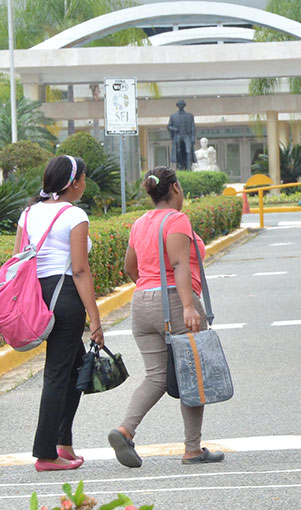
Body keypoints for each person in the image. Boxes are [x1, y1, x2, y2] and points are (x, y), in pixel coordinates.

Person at [109, 166, 223, 468]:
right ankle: (192, 449)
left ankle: (125, 430)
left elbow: (130, 267)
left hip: (141, 303)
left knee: (156, 376)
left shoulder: (140, 223)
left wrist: (150, 294)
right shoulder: (177, 220)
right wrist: (187, 306)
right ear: (174, 189)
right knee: (193, 374)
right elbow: (179, 264)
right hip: (174, 300)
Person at [18, 155, 103, 472]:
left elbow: (17, 260)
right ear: (75, 182)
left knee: (75, 368)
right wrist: (95, 319)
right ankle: (46, 453)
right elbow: (80, 271)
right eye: (83, 176)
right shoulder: (74, 216)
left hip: (36, 296)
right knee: (57, 374)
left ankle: (62, 442)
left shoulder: (28, 214)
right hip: (65, 296)